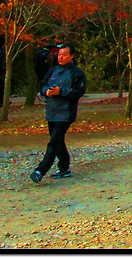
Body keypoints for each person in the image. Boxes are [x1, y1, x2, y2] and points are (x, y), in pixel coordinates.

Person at [29, 43, 87, 182]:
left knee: (54, 142)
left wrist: (61, 91)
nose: (61, 57)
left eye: (64, 55)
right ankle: (64, 168)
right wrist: (46, 92)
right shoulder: (53, 70)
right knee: (58, 141)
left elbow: (78, 92)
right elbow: (43, 85)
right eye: (59, 54)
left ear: (72, 56)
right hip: (52, 111)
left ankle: (40, 170)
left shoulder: (77, 73)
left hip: (66, 113)